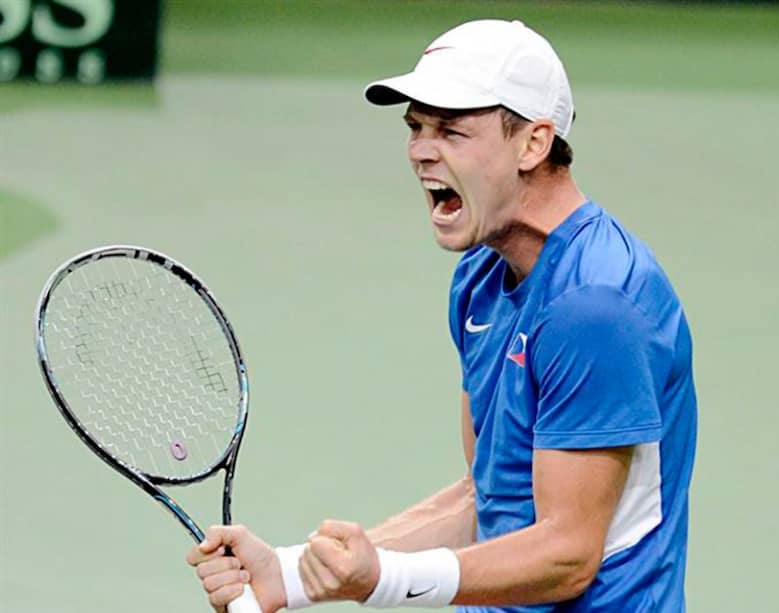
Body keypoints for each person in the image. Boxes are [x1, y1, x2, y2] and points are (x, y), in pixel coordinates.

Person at [187, 19, 697, 613]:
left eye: (452, 131)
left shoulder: (597, 303)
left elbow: (567, 554)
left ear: (533, 143)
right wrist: (292, 574)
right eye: (416, 127)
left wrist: (384, 580)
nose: (421, 150)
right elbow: (487, 496)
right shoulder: (480, 277)